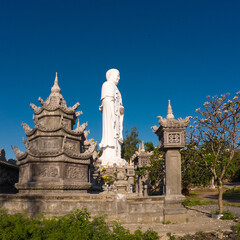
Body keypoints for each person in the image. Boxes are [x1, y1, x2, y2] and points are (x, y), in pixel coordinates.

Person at [99, 69, 126, 167]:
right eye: (117, 75)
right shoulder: (107, 84)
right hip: (111, 114)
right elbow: (107, 100)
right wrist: (112, 114)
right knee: (111, 132)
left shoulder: (116, 88)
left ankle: (116, 154)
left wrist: (120, 109)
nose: (119, 78)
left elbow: (117, 103)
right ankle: (109, 153)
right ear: (110, 75)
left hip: (117, 115)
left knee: (117, 134)